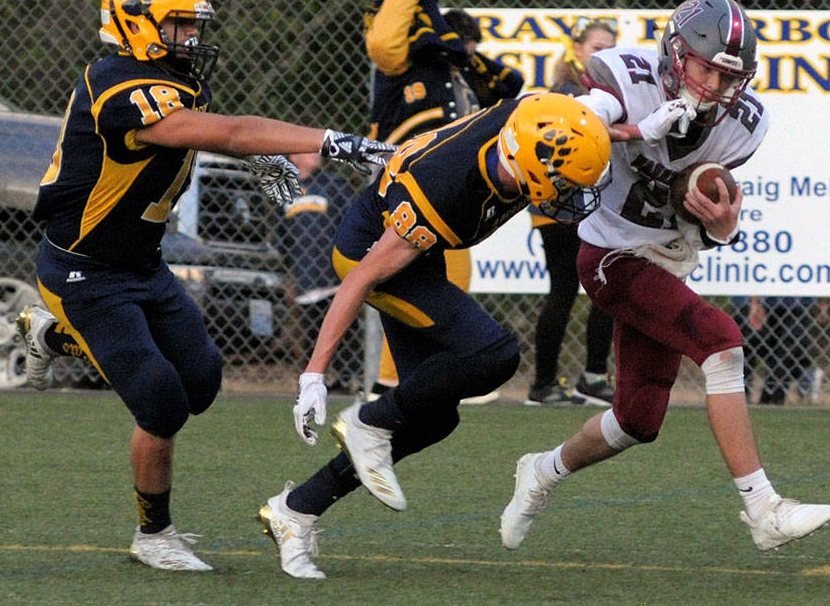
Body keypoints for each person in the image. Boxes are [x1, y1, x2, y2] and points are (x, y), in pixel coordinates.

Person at [12, 0, 394, 572]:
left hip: (143, 264)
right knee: (160, 402)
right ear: (136, 22)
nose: (191, 37)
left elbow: (208, 133)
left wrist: (260, 160)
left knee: (201, 382)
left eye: (194, 24)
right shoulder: (118, 85)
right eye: (180, 24)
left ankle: (51, 337)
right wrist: (326, 141)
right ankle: (153, 534)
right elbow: (231, 132)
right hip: (84, 271)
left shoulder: (173, 76)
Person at [499, 0, 830, 555]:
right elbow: (573, 127)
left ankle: (541, 470)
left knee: (636, 420)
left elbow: (694, 217)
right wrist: (638, 129)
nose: (714, 86)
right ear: (676, 54)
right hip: (610, 255)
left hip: (666, 259)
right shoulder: (624, 76)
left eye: (728, 77)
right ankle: (764, 509)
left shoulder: (743, 124)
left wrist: (721, 226)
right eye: (705, 69)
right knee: (721, 342)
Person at [257, 92, 613, 579]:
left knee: (433, 418)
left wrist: (646, 129)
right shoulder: (446, 190)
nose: (572, 194)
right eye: (566, 183)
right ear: (531, 166)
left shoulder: (530, 122)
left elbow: (583, 120)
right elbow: (361, 278)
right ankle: (367, 422)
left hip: (417, 252)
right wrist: (314, 374)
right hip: (371, 256)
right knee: (495, 353)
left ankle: (296, 510)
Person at [364, 0, 524, 399]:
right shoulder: (410, 64)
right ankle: (393, 381)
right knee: (409, 281)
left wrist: (466, 56)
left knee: (442, 281)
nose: (465, 53)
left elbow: (510, 84)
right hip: (405, 184)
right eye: (461, 43)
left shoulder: (463, 77)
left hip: (446, 192)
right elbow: (383, 42)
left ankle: (412, 378)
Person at [528, 17, 620, 405]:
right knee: (566, 290)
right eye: (597, 48)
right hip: (560, 201)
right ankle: (546, 384)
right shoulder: (567, 91)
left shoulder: (604, 90)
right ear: (578, 49)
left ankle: (589, 377)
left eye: (610, 49)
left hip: (590, 202)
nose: (604, 55)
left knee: (604, 288)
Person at [277, 151, 361, 392]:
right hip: (305, 275)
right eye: (308, 151)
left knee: (345, 327)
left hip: (334, 273)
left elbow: (350, 220)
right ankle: (317, 378)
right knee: (312, 329)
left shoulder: (333, 184)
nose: (315, 154)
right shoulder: (286, 189)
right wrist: (291, 271)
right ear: (294, 158)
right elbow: (282, 235)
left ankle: (348, 376)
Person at [738, 296, 829, 405]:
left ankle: (773, 398)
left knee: (790, 353)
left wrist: (822, 301)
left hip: (796, 303)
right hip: (763, 301)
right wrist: (756, 303)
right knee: (747, 345)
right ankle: (741, 395)